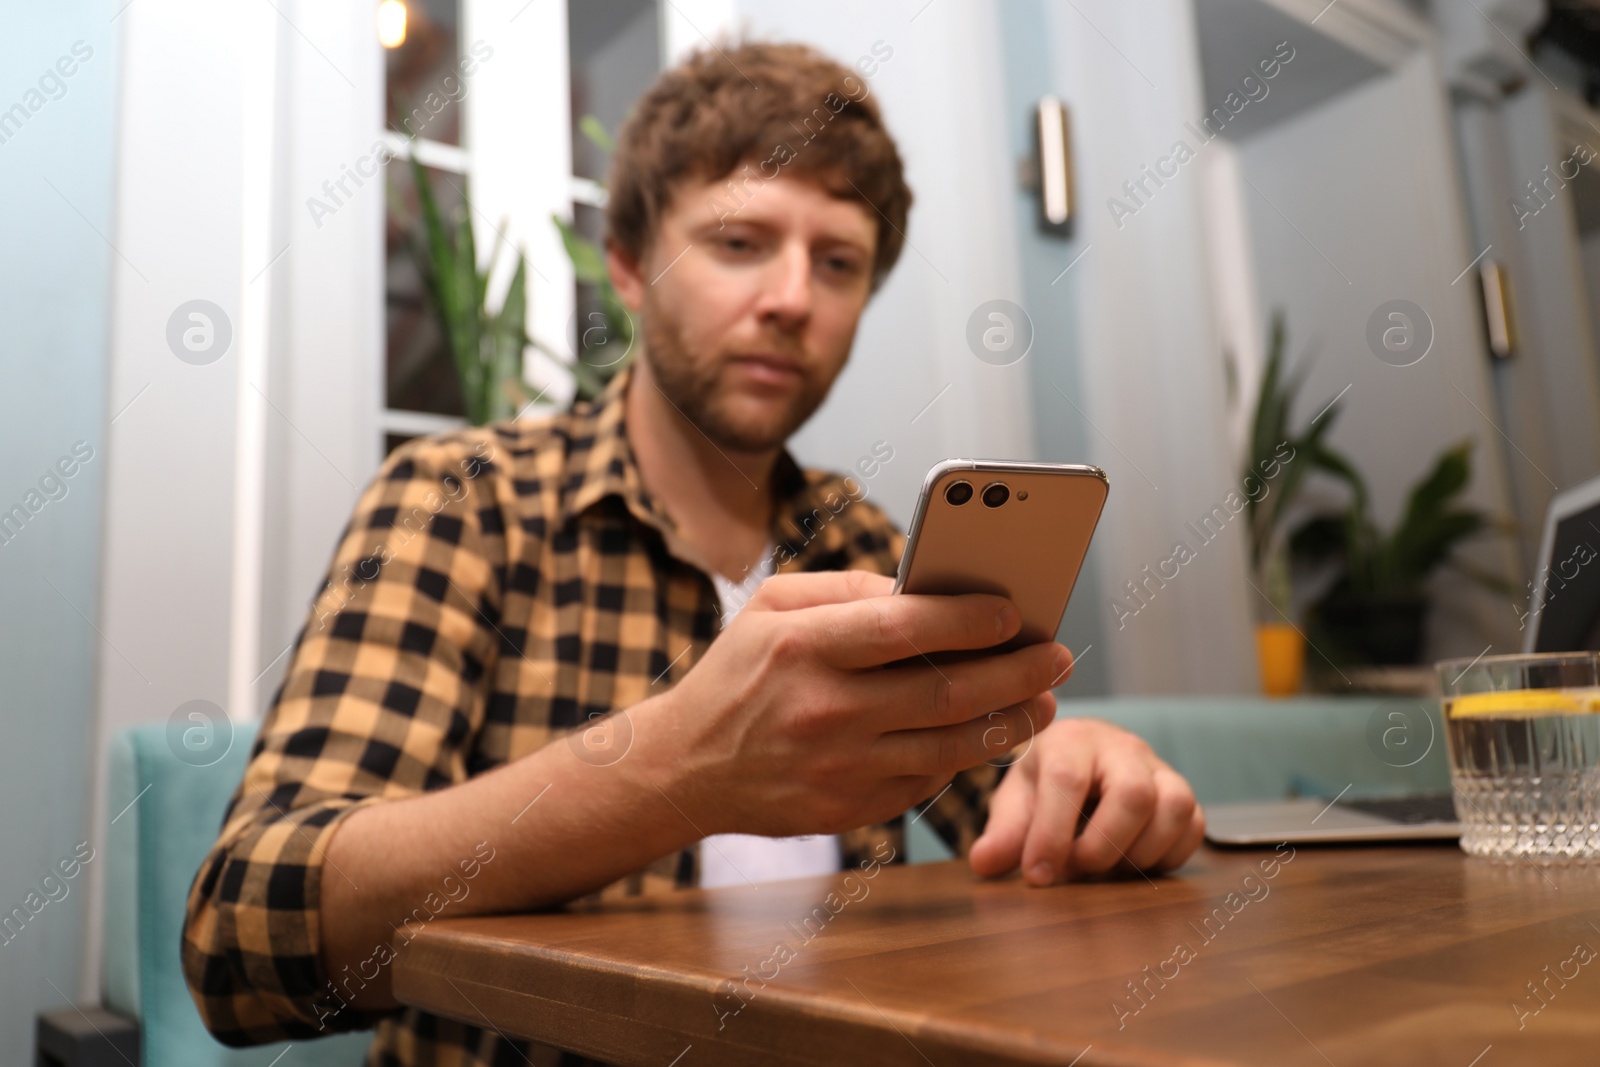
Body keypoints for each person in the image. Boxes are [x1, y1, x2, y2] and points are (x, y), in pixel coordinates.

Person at [182, 39, 1204, 1066]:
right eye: (738, 242)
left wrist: (1082, 785)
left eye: (837, 261)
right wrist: (675, 771)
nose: (793, 297)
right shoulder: (462, 503)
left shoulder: (862, 544)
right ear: (628, 264)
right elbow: (242, 936)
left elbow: (1019, 819)